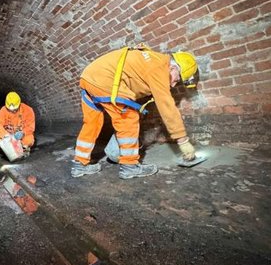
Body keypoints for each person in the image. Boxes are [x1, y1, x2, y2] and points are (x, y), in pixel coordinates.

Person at [72, 45, 199, 179]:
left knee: (91, 123)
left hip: (88, 77)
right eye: (177, 79)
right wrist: (183, 140)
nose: (173, 85)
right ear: (173, 68)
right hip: (105, 79)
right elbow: (167, 107)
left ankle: (79, 164)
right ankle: (130, 166)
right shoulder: (160, 67)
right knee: (128, 119)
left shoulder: (152, 59)